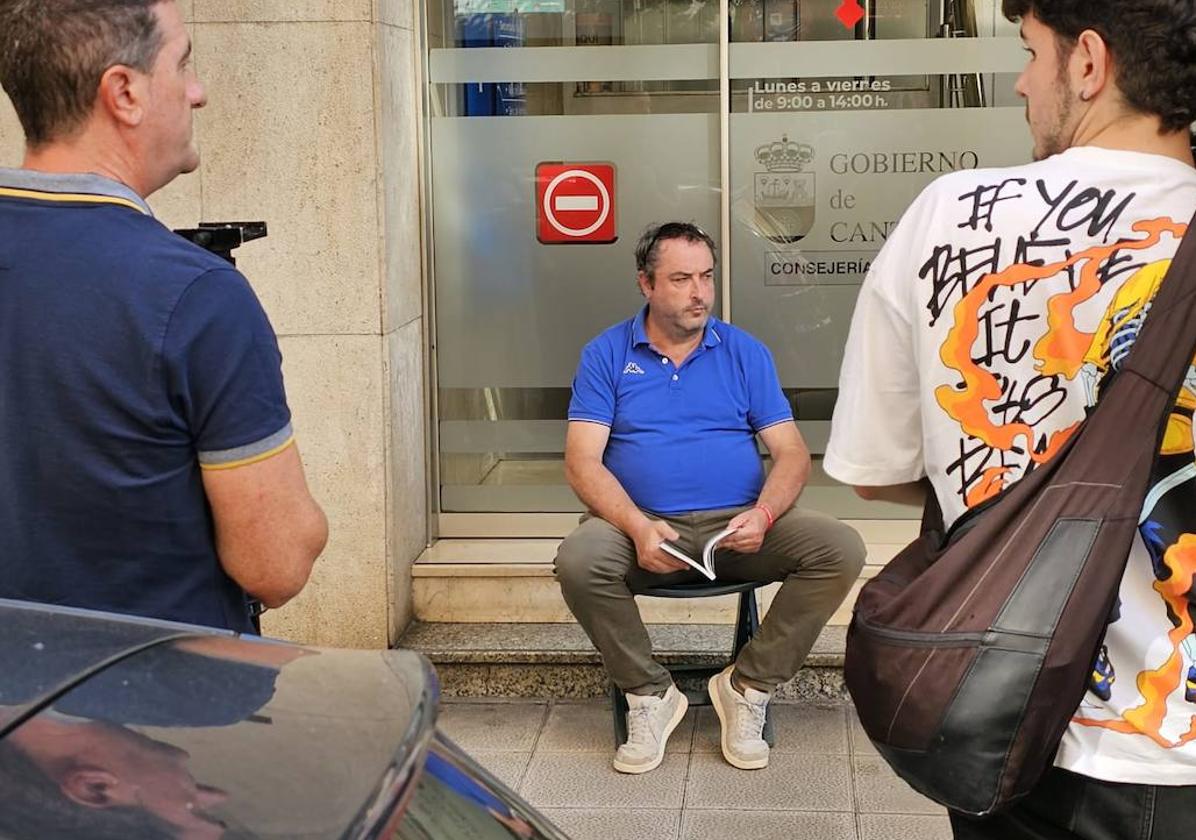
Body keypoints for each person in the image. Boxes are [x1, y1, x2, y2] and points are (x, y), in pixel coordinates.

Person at [824, 1, 1196, 836]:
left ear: (1089, 62)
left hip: (1006, 715)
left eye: (1031, 54)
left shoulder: (948, 215)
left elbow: (877, 471)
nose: (1023, 84)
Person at [0, 0, 327, 632]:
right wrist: (308, 521)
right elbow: (276, 563)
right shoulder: (196, 294)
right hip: (160, 709)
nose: (198, 94)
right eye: (183, 63)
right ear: (124, 92)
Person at [555, 221, 866, 774]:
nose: (699, 292)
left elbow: (791, 453)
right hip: (644, 531)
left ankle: (746, 686)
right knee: (579, 559)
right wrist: (635, 525)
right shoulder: (605, 354)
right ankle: (650, 694)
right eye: (681, 279)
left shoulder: (744, 352)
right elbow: (582, 461)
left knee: (838, 546)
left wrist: (765, 514)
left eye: (706, 277)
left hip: (737, 529)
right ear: (646, 284)